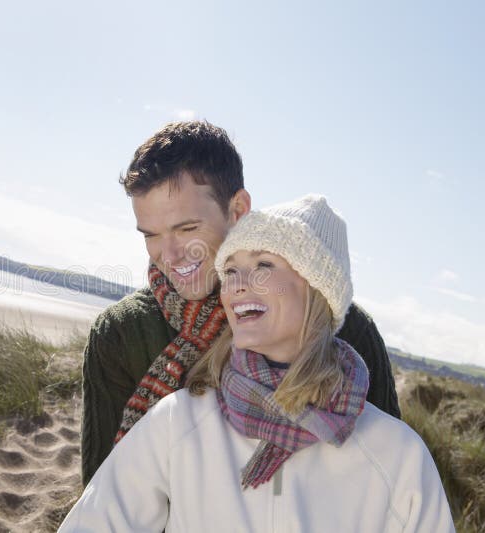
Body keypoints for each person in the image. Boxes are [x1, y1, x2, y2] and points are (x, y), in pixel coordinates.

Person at [61, 195, 454, 532]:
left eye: (264, 265)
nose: (237, 285)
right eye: (230, 269)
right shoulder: (179, 423)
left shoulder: (396, 454)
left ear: (318, 289)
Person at [81, 121, 400, 486]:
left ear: (237, 210)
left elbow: (385, 479)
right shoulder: (120, 335)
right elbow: (102, 492)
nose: (167, 255)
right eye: (151, 235)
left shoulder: (343, 329)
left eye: (187, 229)